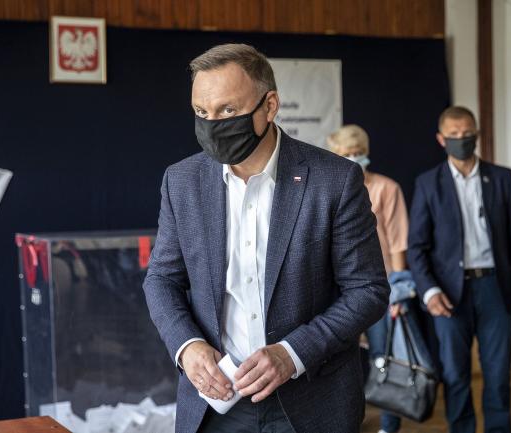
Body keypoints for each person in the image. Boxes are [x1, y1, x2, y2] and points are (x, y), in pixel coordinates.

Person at [142, 43, 390, 433]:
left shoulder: (334, 180)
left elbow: (367, 290)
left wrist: (293, 354)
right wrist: (187, 347)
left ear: (269, 106)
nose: (212, 124)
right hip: (216, 405)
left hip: (312, 401)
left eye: (228, 110)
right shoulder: (182, 181)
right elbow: (161, 279)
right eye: (201, 113)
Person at [407, 106, 511, 433]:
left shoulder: (503, 178)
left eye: (467, 135)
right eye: (454, 136)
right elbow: (416, 247)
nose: (461, 140)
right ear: (441, 139)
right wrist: (430, 291)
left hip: (495, 288)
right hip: (448, 294)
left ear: (476, 134)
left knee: (497, 375)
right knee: (455, 376)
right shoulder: (428, 184)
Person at [328, 125, 433, 433]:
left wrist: (399, 293)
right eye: (346, 154)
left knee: (383, 357)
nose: (354, 158)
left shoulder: (387, 188)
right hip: (337, 292)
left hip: (379, 290)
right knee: (340, 362)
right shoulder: (330, 189)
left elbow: (400, 243)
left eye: (358, 153)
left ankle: (389, 425)